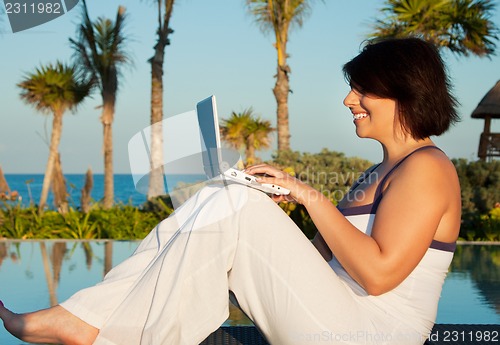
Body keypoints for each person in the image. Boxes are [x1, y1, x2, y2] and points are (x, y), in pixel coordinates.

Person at [0, 37, 461, 345]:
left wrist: (308, 196)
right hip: (336, 317)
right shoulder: (380, 170)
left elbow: (379, 275)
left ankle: (97, 328)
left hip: (373, 333)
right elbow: (322, 265)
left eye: (363, 90)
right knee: (222, 196)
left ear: (403, 92)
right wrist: (265, 212)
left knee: (233, 204)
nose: (349, 101)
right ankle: (88, 318)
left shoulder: (428, 168)